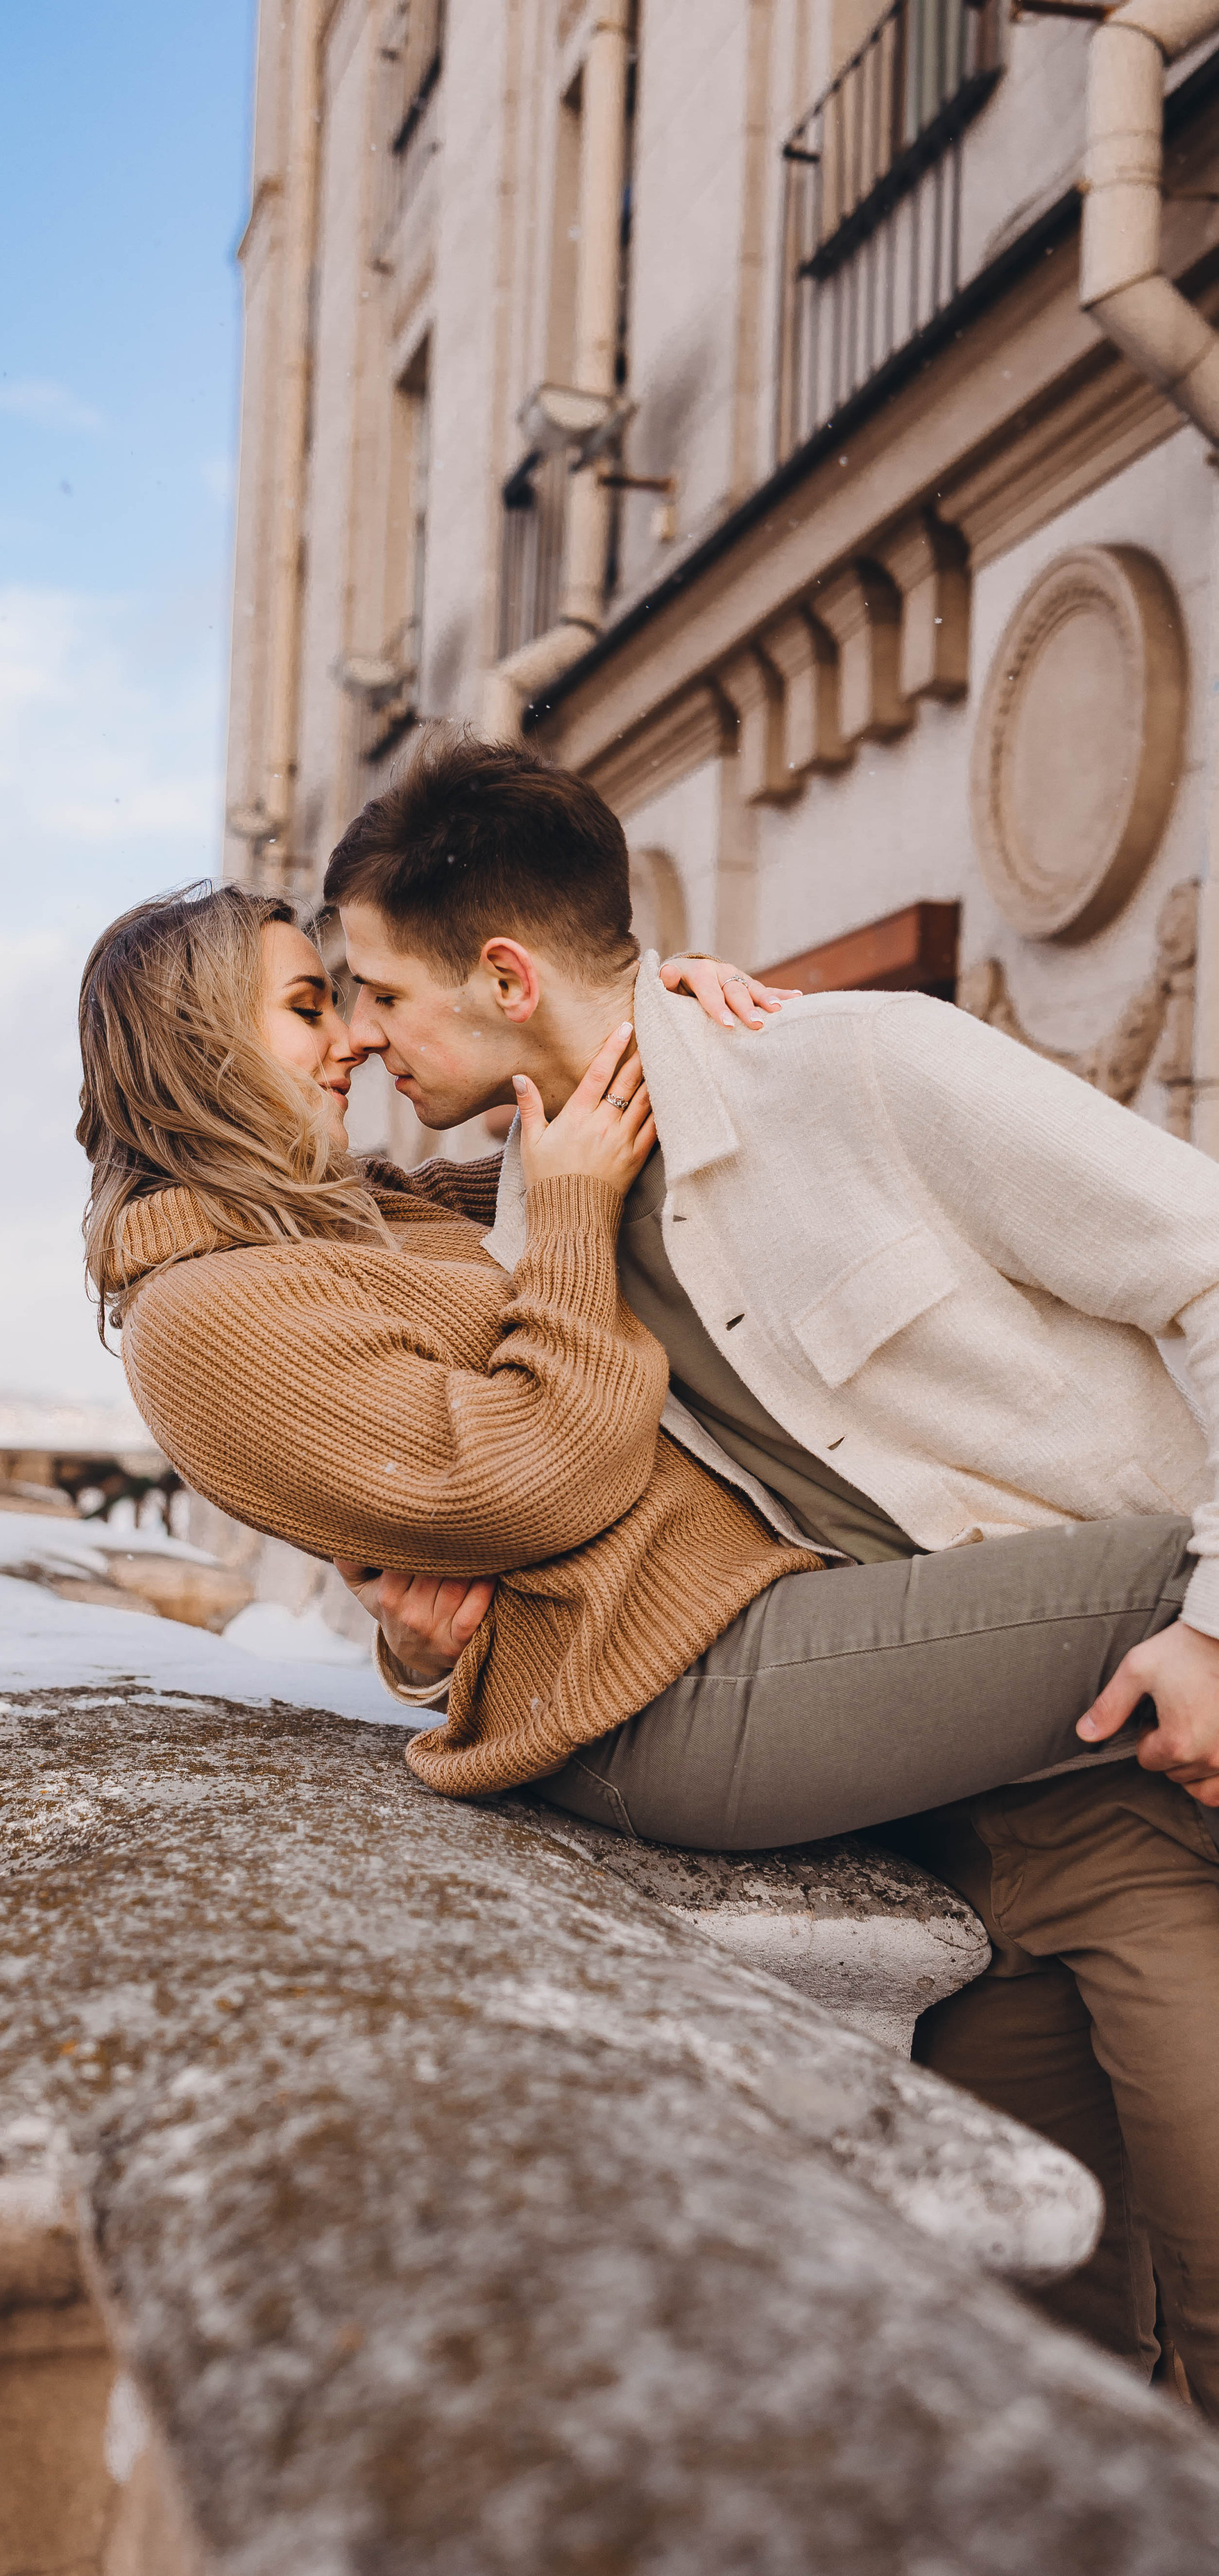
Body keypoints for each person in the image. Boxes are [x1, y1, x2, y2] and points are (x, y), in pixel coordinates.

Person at [76, 836, 1219, 2410]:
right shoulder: (204, 1318)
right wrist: (561, 1218)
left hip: (738, 1658)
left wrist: (663, 1015)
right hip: (670, 1696)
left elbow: (598, 1126)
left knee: (1054, 2296)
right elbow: (544, 1470)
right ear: (195, 1047)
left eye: (359, 996)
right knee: (1175, 1575)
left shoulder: (356, 1222)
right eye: (304, 1007)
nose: (348, 1035)